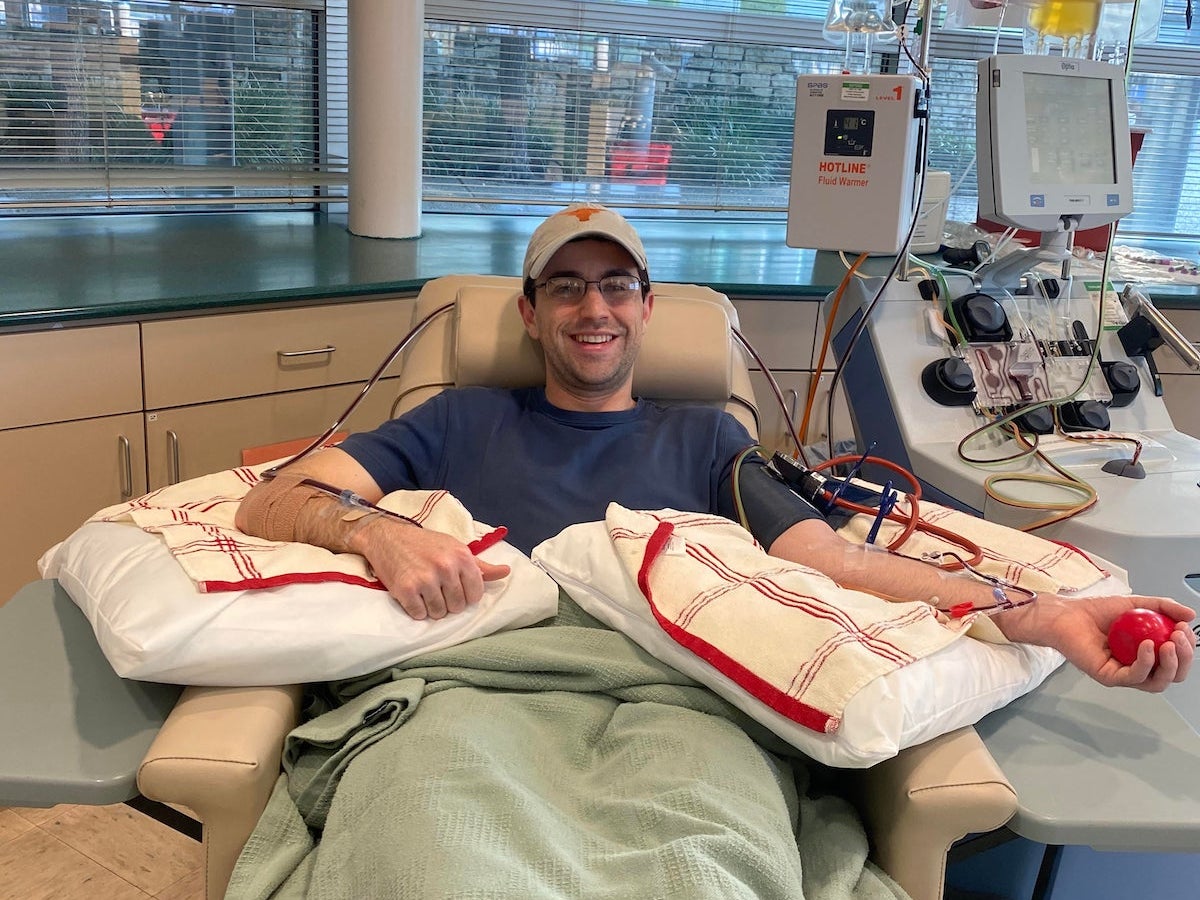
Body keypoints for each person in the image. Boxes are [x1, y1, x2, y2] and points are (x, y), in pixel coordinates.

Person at [236, 202, 1194, 693]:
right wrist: (380, 535)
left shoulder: (707, 438)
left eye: (616, 284)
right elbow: (271, 500)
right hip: (476, 689)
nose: (593, 306)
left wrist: (1042, 613)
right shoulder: (459, 420)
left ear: (648, 310)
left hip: (671, 705)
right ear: (530, 315)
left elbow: (836, 561)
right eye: (565, 287)